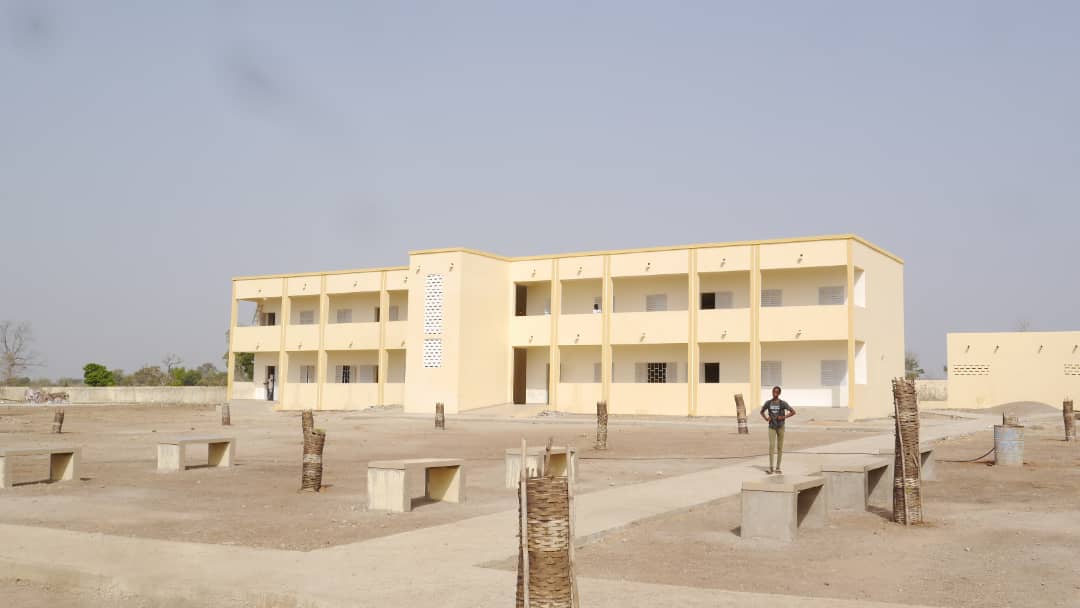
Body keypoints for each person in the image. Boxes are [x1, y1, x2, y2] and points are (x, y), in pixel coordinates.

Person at [760, 386, 796, 474]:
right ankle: (771, 467)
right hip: (771, 427)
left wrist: (783, 417)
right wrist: (766, 418)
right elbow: (761, 411)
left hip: (780, 427)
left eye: (776, 392)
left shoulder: (782, 403)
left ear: (779, 393)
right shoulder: (768, 403)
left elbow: (793, 412)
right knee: (771, 446)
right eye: (773, 392)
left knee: (780, 447)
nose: (774, 393)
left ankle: (778, 467)